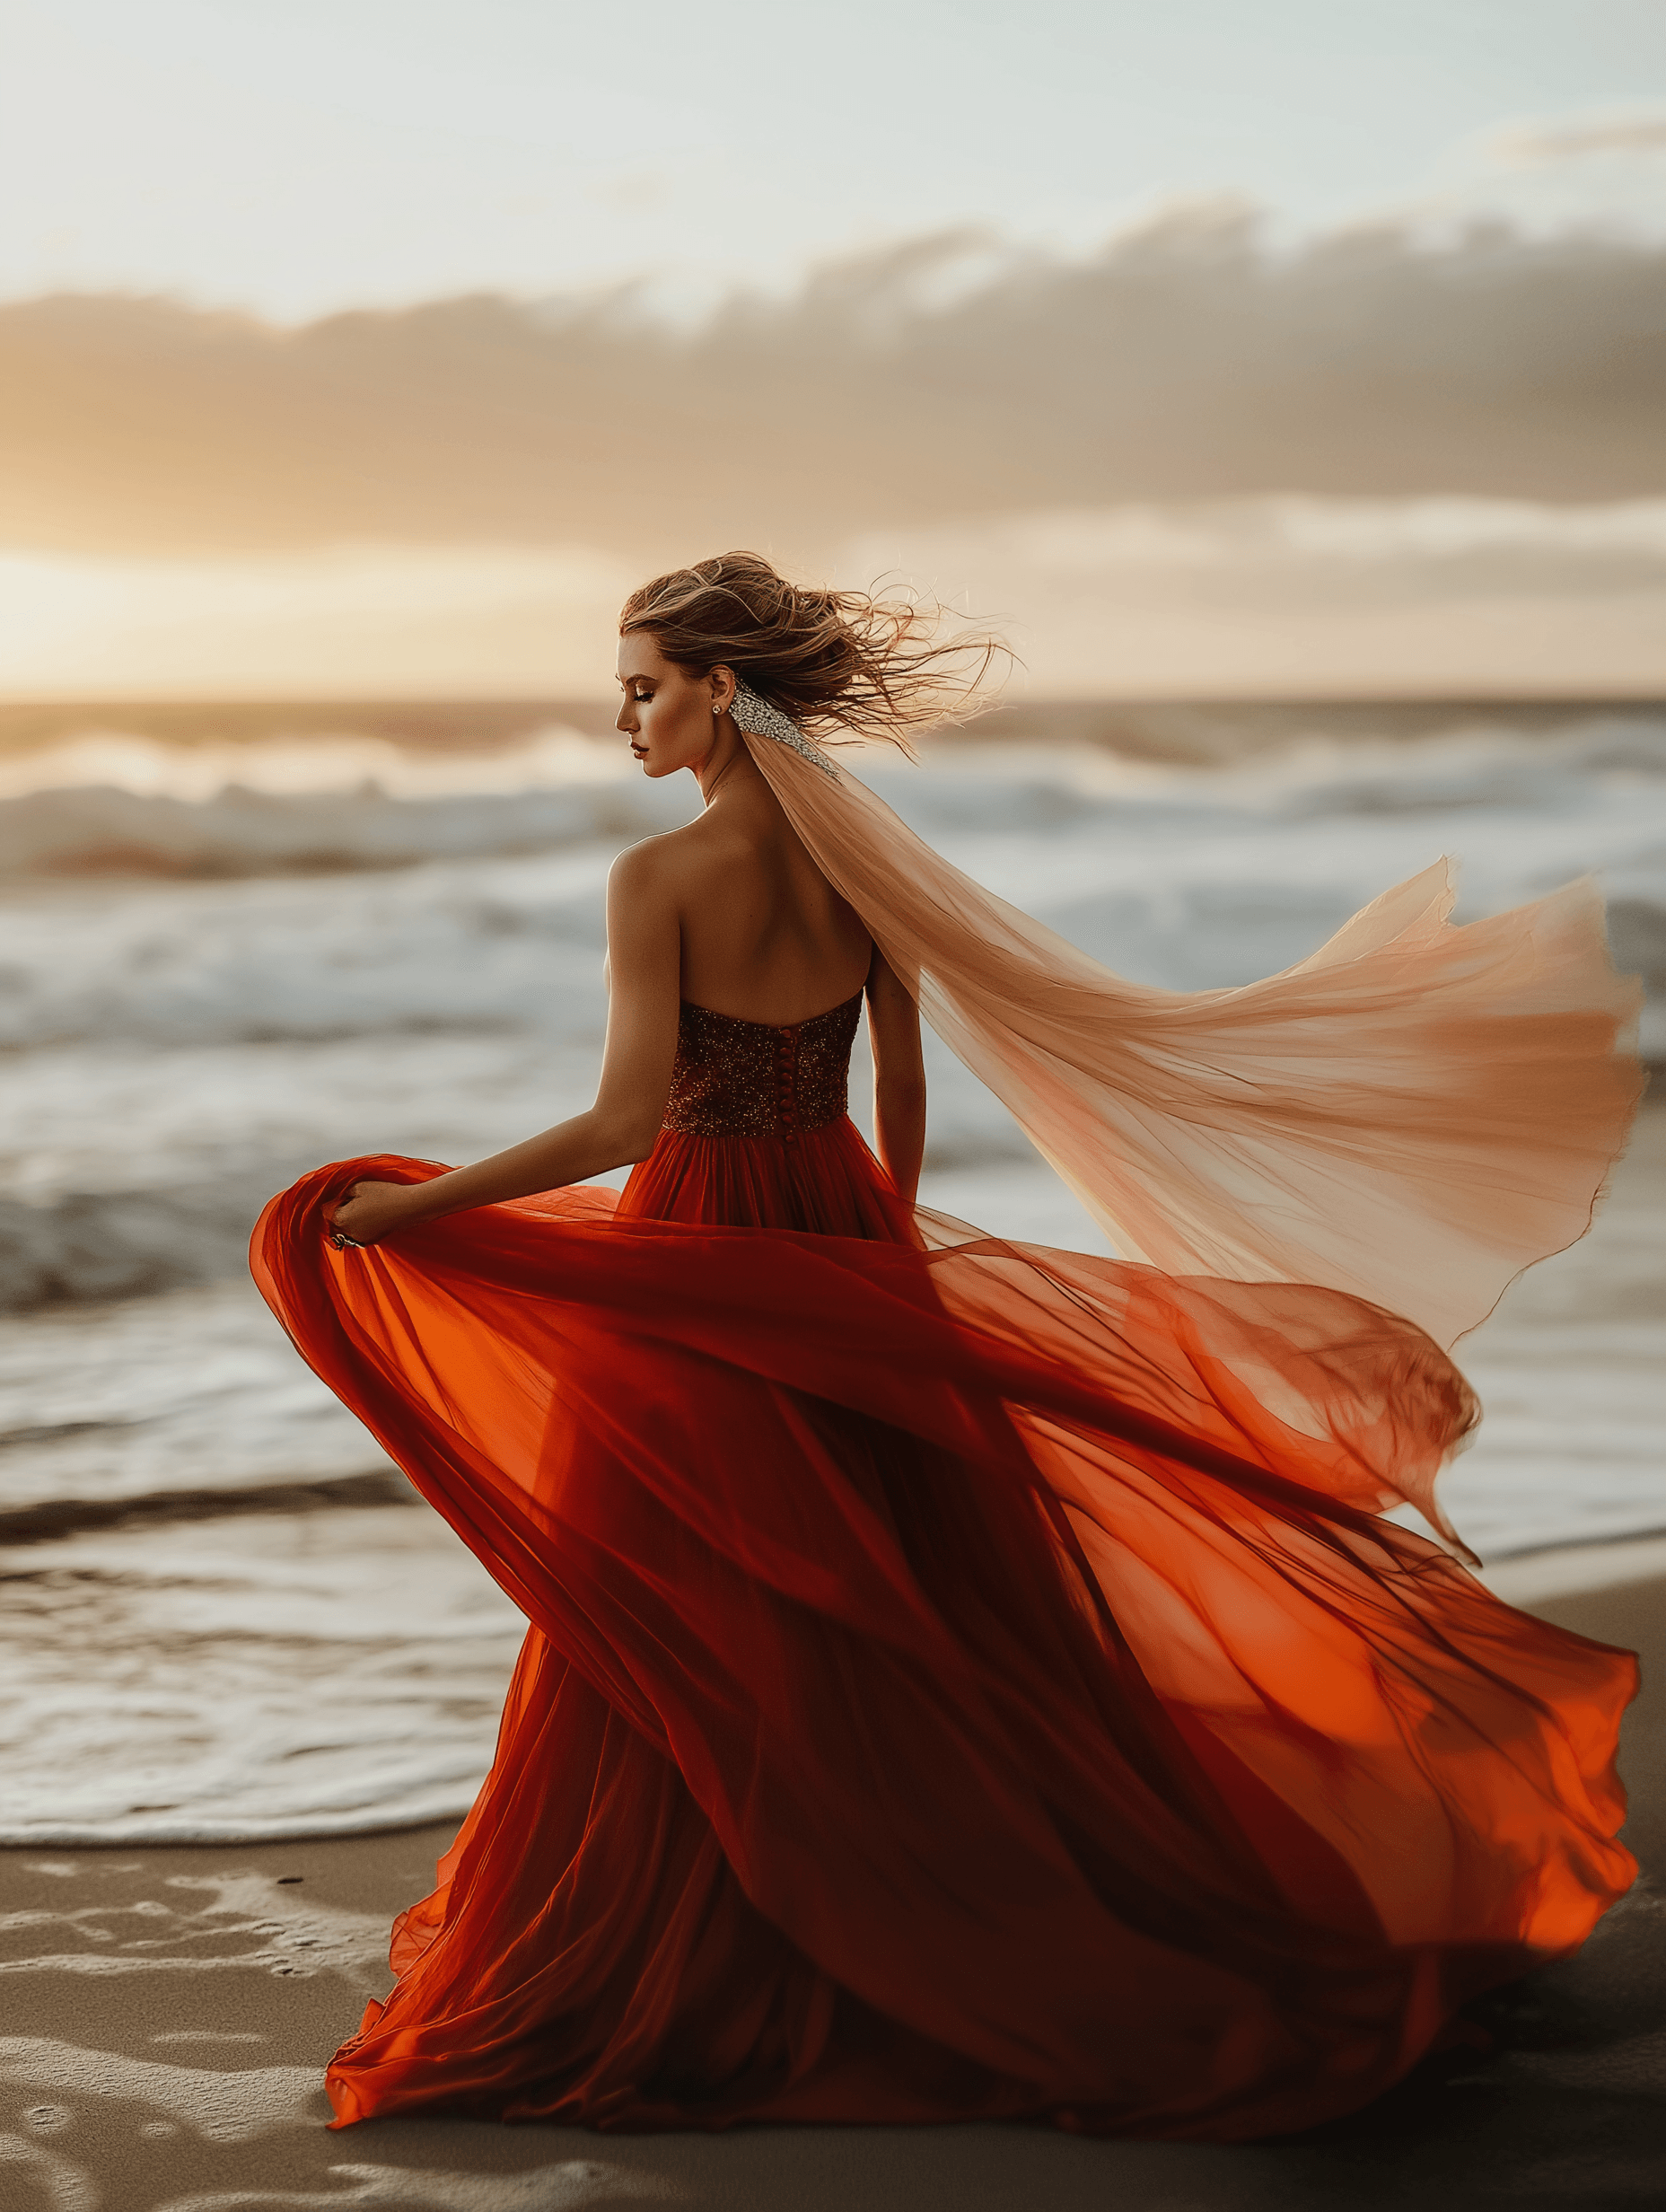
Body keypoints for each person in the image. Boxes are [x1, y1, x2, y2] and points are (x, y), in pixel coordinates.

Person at [252, 552, 1641, 2141]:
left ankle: (716, 1945)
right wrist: (880, 1266)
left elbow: (630, 1119)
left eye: (642, 686)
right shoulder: (860, 862)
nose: (619, 717)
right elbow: (898, 1090)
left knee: (687, 1581)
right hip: (841, 1224)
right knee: (906, 1589)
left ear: (721, 690)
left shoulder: (660, 880)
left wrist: (416, 1214)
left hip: (705, 1232)